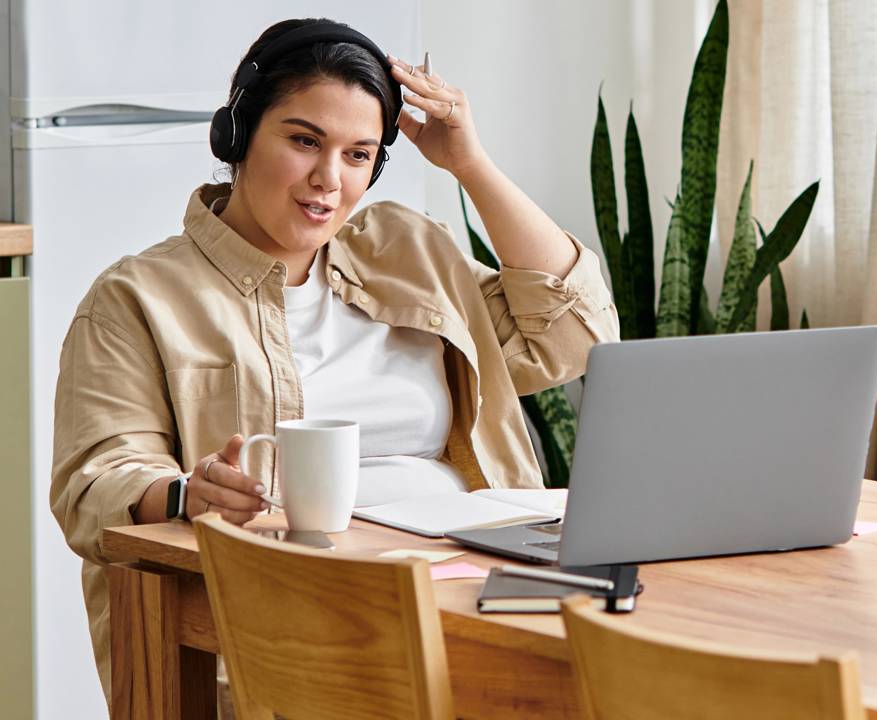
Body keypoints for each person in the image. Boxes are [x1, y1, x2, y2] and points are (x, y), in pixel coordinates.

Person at [48, 17, 617, 695]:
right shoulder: (137, 297)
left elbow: (573, 336)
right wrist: (186, 494)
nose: (328, 179)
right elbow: (94, 485)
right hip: (291, 621)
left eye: (357, 155)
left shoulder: (409, 250)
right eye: (304, 141)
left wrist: (470, 164)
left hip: (476, 594)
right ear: (238, 134)